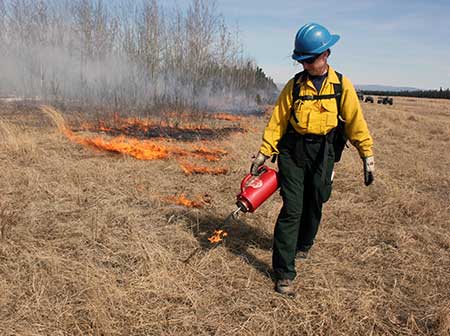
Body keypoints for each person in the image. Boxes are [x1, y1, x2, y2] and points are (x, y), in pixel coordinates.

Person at [250, 22, 374, 297]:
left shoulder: (342, 86)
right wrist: (264, 151)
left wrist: (367, 155)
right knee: (292, 208)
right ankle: (284, 272)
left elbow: (355, 122)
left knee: (317, 198)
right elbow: (278, 121)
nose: (305, 65)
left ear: (326, 54)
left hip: (324, 153)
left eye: (310, 59)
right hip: (293, 152)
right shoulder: (293, 87)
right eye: (302, 60)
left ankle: (305, 243)